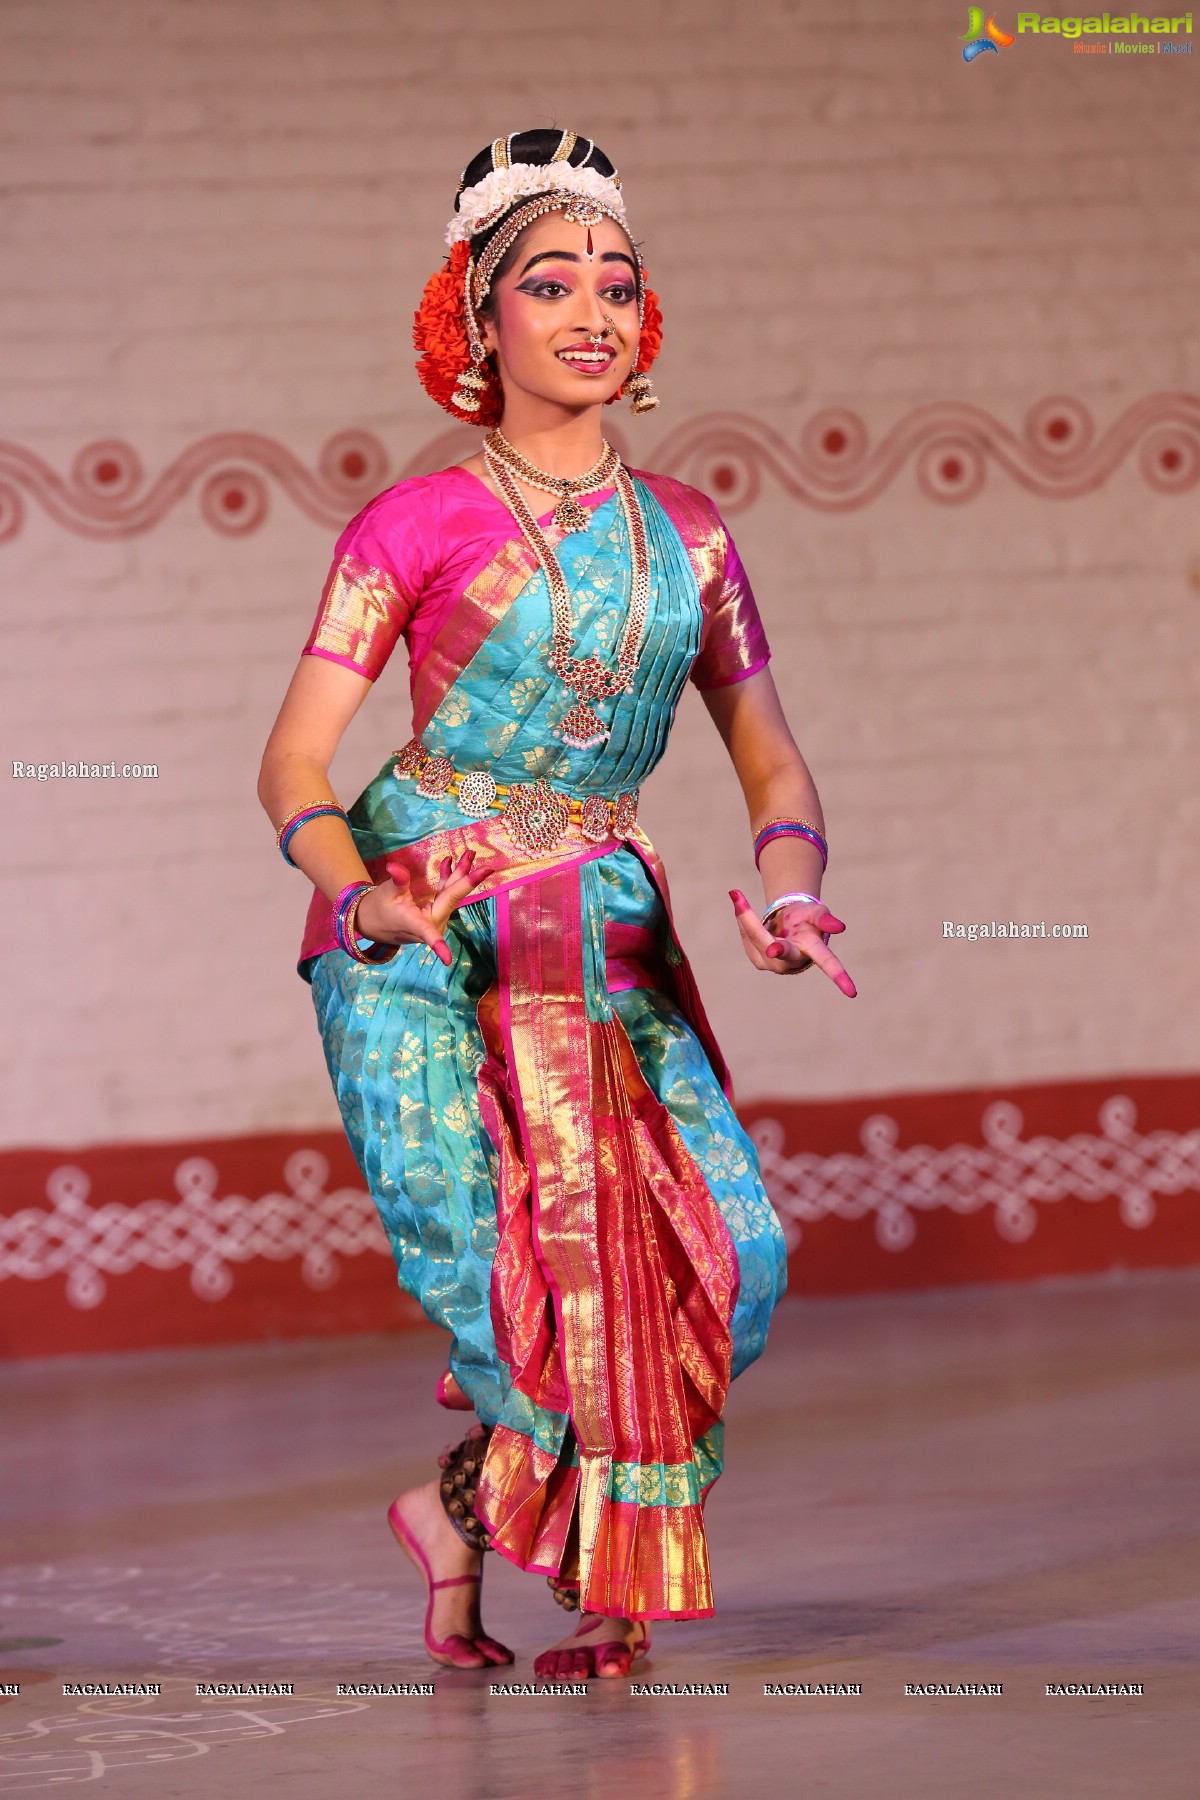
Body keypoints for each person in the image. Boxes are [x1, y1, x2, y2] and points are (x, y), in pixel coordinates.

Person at [257, 128, 856, 1680]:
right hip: (420, 927)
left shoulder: (695, 541)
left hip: (604, 925)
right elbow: (293, 764)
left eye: (619, 284)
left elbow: (773, 761)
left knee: (734, 1256)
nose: (592, 310)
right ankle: (591, 1582)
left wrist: (791, 897)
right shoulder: (413, 526)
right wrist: (367, 903)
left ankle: (459, 1520)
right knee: (506, 1282)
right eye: (550, 282)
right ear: (480, 315)